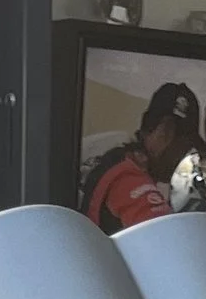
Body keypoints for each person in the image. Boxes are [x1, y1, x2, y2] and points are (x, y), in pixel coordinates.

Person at [79, 78, 199, 232]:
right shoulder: (131, 180)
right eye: (184, 145)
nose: (185, 157)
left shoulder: (116, 160)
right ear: (164, 131)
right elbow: (165, 242)